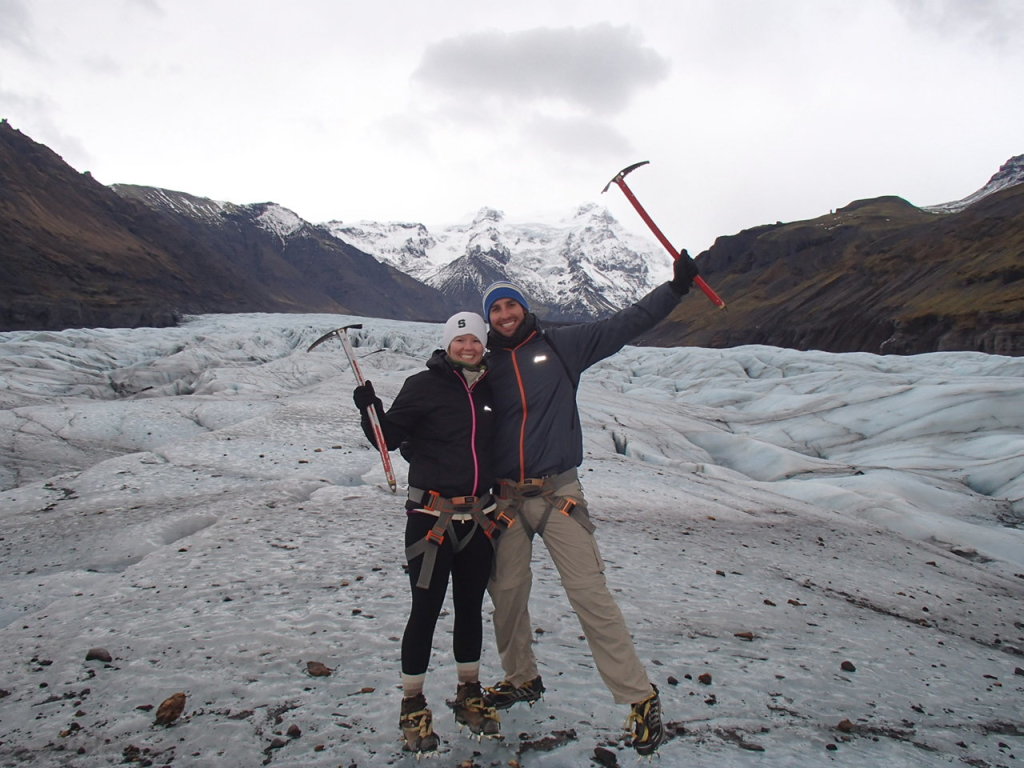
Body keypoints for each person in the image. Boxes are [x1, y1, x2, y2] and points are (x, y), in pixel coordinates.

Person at [479, 254, 701, 756]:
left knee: (590, 595)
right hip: (507, 500)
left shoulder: (562, 345)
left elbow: (624, 324)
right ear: (488, 318)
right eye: (496, 310)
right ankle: (521, 678)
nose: (505, 315)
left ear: (524, 308)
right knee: (507, 595)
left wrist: (675, 290)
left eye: (511, 305)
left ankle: (639, 697)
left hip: (559, 494)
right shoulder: (482, 364)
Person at [352, 311, 502, 754]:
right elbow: (389, 438)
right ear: (447, 345)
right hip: (430, 519)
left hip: (478, 520)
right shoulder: (424, 385)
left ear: (483, 343)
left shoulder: (494, 388)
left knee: (470, 609)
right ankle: (413, 704)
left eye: (474, 339)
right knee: (425, 611)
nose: (467, 347)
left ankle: (468, 692)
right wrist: (370, 411)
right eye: (460, 341)